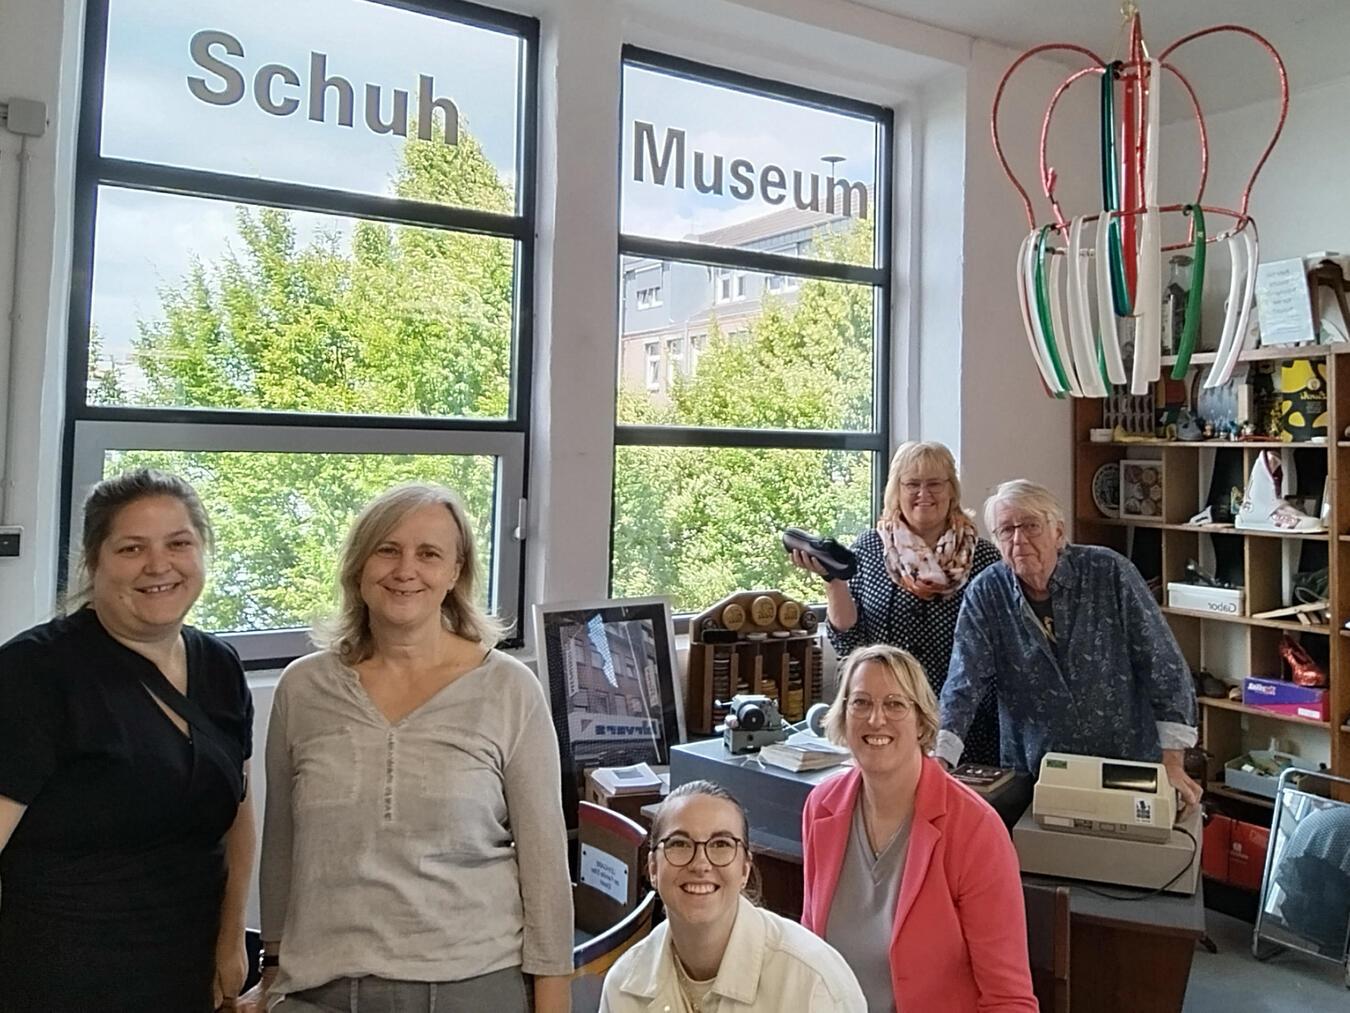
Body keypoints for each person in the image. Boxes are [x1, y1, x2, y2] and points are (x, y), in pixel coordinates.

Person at [255, 482, 573, 1013]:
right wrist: (271, 969)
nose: (406, 570)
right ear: (359, 565)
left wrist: (553, 998)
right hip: (319, 989)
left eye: (429, 554)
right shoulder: (303, 689)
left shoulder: (509, 690)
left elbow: (545, 865)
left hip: (471, 987)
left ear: (455, 573)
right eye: (387, 549)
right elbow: (283, 845)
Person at [0, 468, 255, 1012]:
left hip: (185, 970)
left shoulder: (219, 666)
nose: (158, 565)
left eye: (179, 543)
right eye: (132, 547)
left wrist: (231, 939)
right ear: (95, 562)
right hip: (57, 980)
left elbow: (237, 813)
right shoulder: (36, 672)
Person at [937, 479, 1202, 806]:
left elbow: (1164, 667)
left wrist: (1172, 763)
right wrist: (940, 759)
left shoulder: (1110, 572)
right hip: (1036, 771)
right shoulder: (987, 592)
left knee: (1121, 854)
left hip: (1125, 764)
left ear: (1058, 532)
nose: (1019, 539)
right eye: (1006, 530)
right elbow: (963, 682)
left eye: (1031, 526)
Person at [801, 645, 1036, 1012]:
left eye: (895, 704)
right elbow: (810, 958)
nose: (876, 719)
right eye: (860, 703)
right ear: (843, 716)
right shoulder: (821, 808)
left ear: (922, 721)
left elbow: (1009, 999)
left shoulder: (974, 829)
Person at [789, 440, 1002, 764]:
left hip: (967, 727)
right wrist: (832, 579)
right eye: (912, 484)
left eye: (934, 484)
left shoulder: (985, 557)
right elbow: (848, 640)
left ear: (952, 491)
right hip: (885, 720)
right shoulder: (869, 549)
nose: (923, 493)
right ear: (896, 490)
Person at [601, 780, 865, 1012]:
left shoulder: (813, 983)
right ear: (654, 868)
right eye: (679, 843)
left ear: (744, 869)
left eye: (721, 844)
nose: (701, 863)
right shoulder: (623, 986)